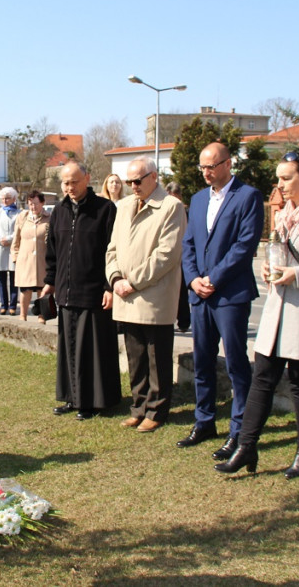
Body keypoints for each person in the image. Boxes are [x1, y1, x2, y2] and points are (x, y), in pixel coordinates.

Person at [216, 152, 299, 478]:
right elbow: (276, 252)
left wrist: (297, 276)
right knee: (262, 380)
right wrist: (268, 268)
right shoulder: (283, 214)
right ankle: (246, 448)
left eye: (287, 177)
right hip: (277, 312)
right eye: (279, 178)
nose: (280, 184)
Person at [178, 141, 264, 462]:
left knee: (236, 363)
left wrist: (213, 278)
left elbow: (244, 246)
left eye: (211, 166)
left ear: (228, 164)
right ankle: (204, 421)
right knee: (202, 360)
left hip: (230, 294)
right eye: (202, 167)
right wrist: (193, 279)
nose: (205, 172)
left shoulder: (248, 196)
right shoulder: (198, 200)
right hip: (199, 295)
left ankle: (239, 430)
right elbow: (189, 244)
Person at [106, 157, 187, 433]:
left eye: (137, 181)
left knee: (156, 358)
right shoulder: (124, 206)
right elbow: (112, 248)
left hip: (154, 296)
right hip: (126, 294)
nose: (132, 186)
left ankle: (157, 410)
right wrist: (115, 278)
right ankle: (138, 407)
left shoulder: (171, 207)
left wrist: (133, 282)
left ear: (154, 177)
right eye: (129, 181)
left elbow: (166, 255)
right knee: (135, 356)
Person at [40, 160, 120, 420]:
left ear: (87, 179)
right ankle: (72, 398)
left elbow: (114, 252)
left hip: (95, 292)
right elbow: (52, 250)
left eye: (74, 182)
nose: (70, 187)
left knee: (92, 351)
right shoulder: (60, 211)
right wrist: (50, 281)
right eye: (65, 182)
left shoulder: (105, 209)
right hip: (66, 291)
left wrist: (110, 286)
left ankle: (92, 401)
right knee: (68, 348)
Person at [12, 191, 50, 322]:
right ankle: (23, 315)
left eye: (36, 203)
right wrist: (15, 257)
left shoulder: (49, 218)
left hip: (42, 260)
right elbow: (16, 239)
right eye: (30, 204)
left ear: (42, 203)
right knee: (25, 289)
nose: (33, 207)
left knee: (42, 289)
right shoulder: (22, 217)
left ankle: (42, 315)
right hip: (25, 260)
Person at [0, 186, 20, 315]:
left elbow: (19, 230)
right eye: (3, 198)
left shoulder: (19, 213)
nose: (5, 201)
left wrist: (10, 239)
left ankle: (12, 305)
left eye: (8, 198)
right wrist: (0, 239)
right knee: (1, 279)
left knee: (14, 279)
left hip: (13, 247)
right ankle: (3, 304)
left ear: (14, 199)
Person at [165, 181, 191, 333]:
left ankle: (184, 320)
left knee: (181, 290)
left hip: (182, 255)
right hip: (169, 255)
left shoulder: (185, 212)